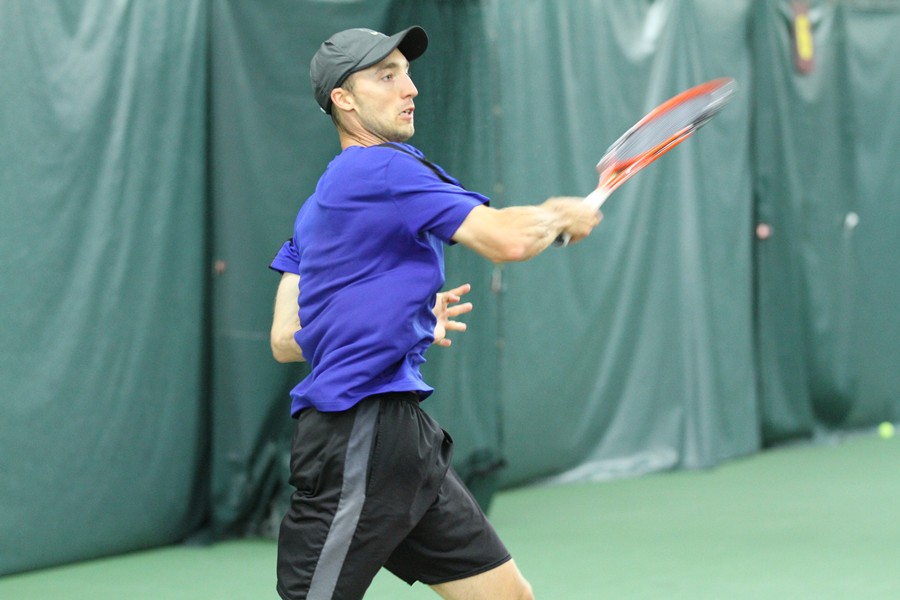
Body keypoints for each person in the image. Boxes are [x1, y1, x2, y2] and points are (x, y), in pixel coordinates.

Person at [268, 25, 601, 600]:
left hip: (403, 440)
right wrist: (557, 216)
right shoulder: (383, 168)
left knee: (507, 597)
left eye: (407, 73)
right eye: (386, 76)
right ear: (343, 99)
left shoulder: (315, 209)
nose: (410, 88)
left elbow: (286, 338)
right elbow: (507, 239)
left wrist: (392, 317)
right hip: (357, 435)